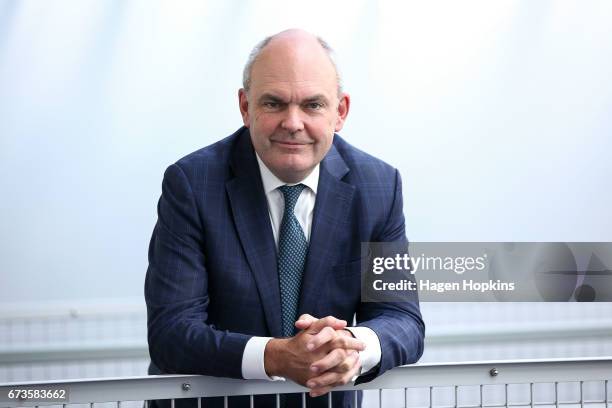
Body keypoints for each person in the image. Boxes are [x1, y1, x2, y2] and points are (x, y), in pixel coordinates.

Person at [145, 29, 425, 408]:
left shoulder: (377, 186)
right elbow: (172, 333)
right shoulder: (193, 184)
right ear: (245, 107)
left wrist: (353, 349)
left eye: (312, 105)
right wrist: (276, 356)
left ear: (339, 112)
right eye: (274, 103)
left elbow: (401, 319)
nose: (293, 123)